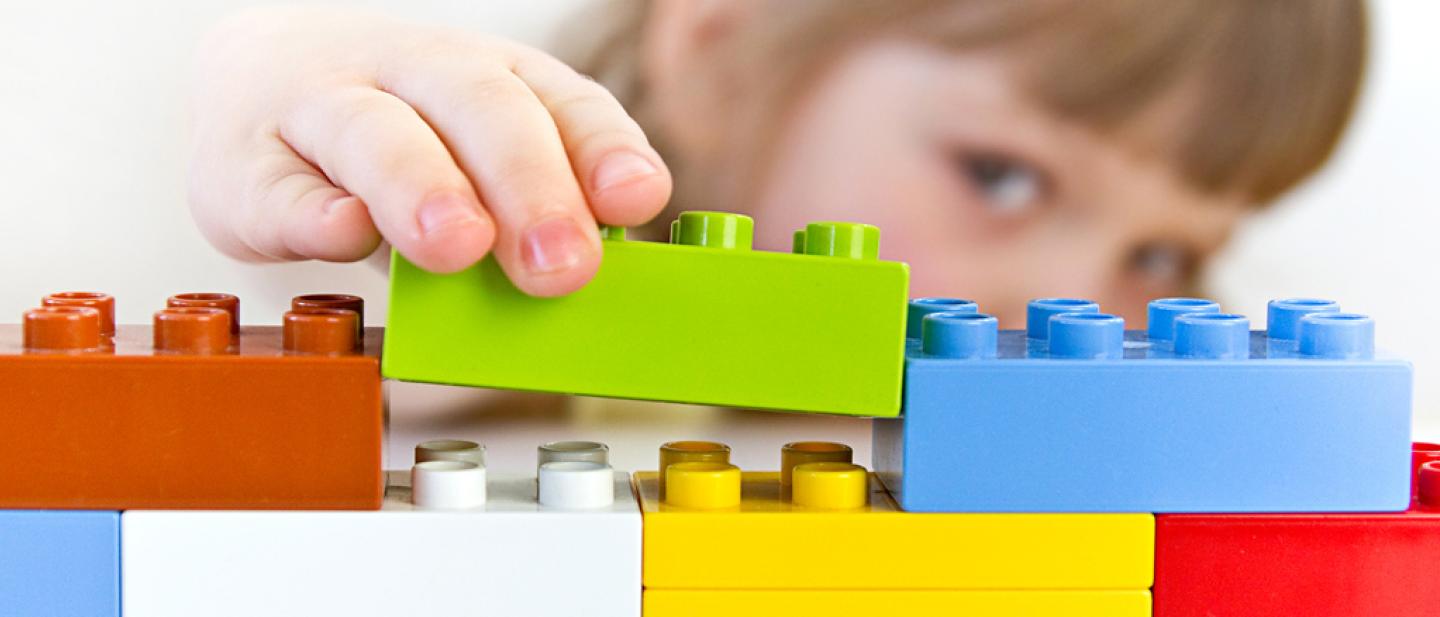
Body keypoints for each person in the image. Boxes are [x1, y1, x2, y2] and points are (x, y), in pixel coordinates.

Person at [189, 0, 1365, 327]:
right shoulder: (500, 259)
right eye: (1004, 175)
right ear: (722, 56)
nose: (1066, 296)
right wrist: (285, 76)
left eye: (1161, 251)